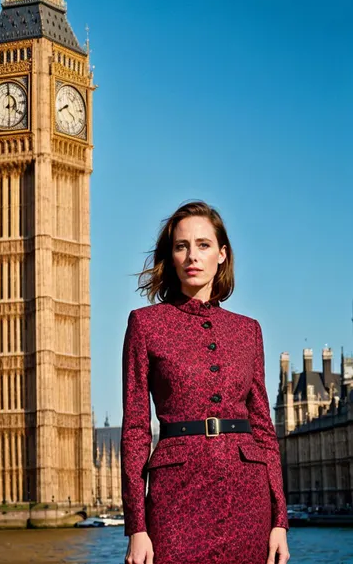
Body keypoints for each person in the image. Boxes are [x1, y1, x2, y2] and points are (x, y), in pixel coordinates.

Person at [120, 201, 290, 564]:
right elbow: (135, 430)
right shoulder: (145, 325)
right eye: (181, 246)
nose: (192, 256)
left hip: (248, 494)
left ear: (222, 255)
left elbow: (263, 427)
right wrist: (137, 526)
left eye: (203, 244)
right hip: (175, 497)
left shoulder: (248, 331)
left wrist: (279, 521)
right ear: (171, 256)